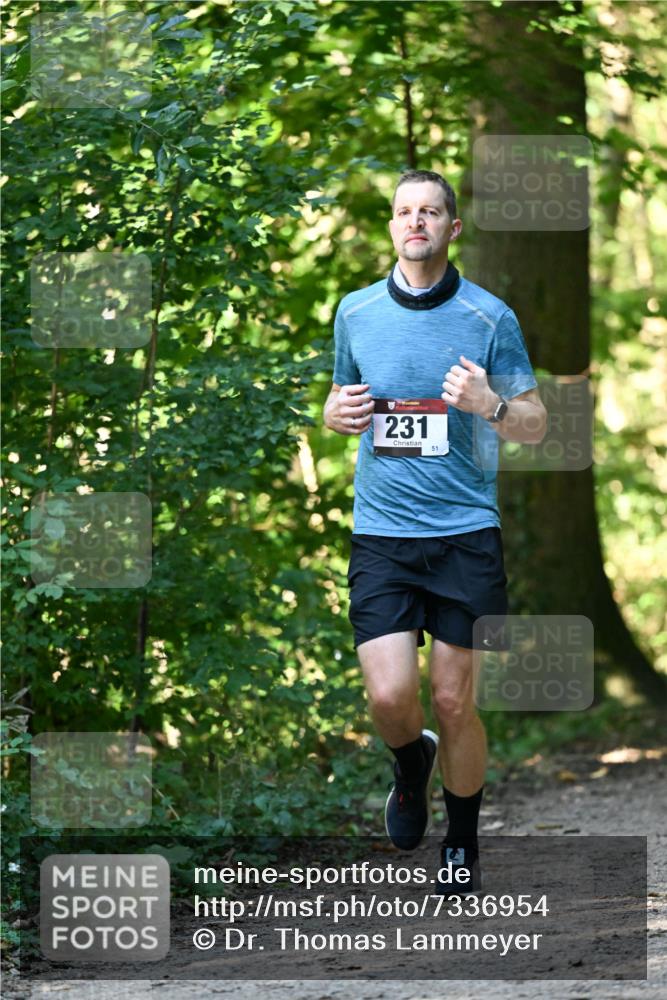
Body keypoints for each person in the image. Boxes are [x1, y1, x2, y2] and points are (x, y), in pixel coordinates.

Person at [323, 169, 547, 894]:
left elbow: (537, 425)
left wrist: (489, 404)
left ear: (453, 227)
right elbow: (339, 397)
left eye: (429, 212)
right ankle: (409, 764)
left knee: (453, 701)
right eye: (402, 212)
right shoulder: (354, 313)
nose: (414, 222)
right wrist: (336, 415)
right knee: (392, 700)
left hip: (463, 534)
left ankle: (461, 841)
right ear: (391, 227)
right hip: (382, 533)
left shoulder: (489, 318)